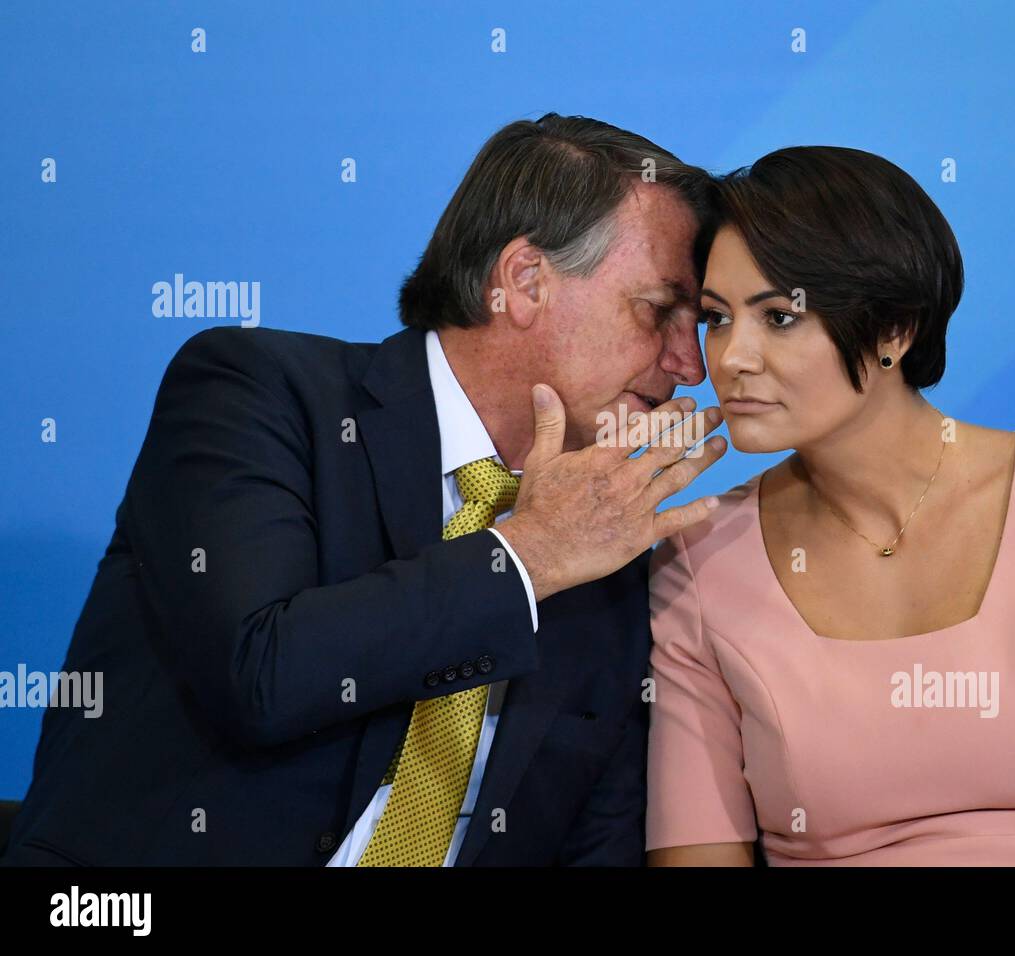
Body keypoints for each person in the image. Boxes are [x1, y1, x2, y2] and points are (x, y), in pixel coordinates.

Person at [1, 113, 727, 866]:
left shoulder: (610, 553)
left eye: (699, 324)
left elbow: (596, 846)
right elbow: (263, 673)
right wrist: (526, 556)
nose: (689, 365)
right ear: (524, 281)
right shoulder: (255, 393)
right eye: (659, 310)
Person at [645, 146, 1015, 866]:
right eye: (716, 318)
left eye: (777, 318)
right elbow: (698, 857)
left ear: (896, 328)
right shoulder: (697, 557)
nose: (732, 357)